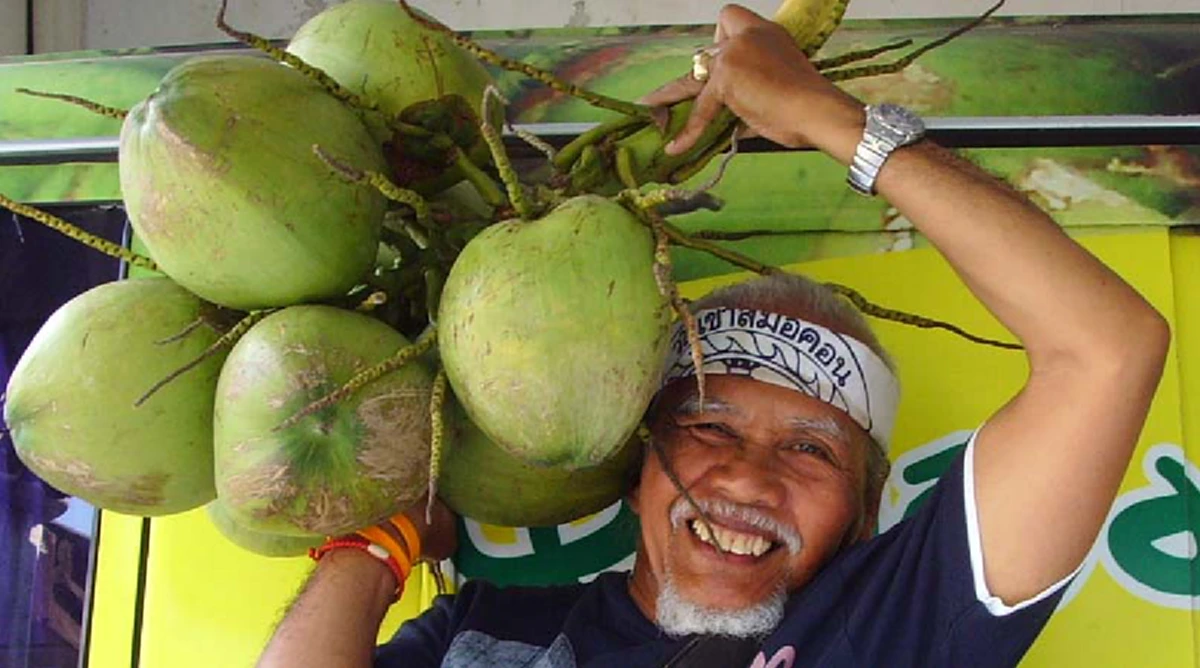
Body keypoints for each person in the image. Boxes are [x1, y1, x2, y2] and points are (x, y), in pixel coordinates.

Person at [257, 5, 1170, 667]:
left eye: (812, 448)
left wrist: (823, 118)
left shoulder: (900, 619)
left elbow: (1108, 348)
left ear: (863, 508)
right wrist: (384, 538)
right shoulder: (492, 629)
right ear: (638, 461)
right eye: (709, 426)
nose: (745, 479)